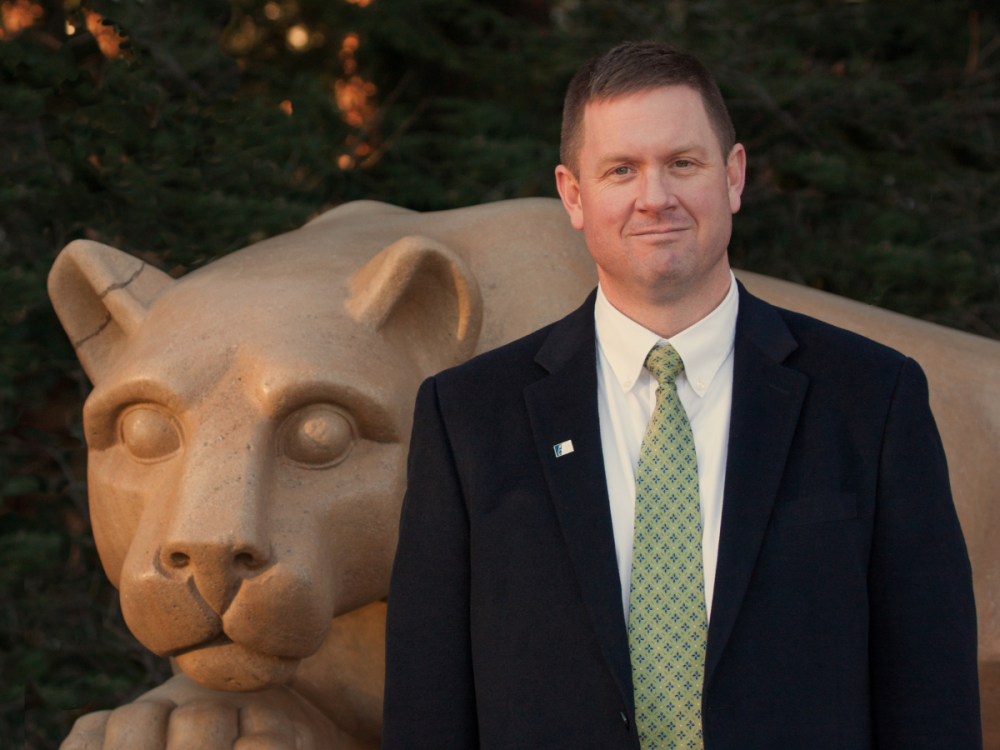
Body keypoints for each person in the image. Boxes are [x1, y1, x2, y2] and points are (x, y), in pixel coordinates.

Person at [381, 41, 982, 750]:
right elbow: (428, 706)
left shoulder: (872, 399)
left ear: (733, 177)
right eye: (621, 170)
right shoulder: (469, 418)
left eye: (683, 164)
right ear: (574, 195)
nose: (654, 197)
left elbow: (932, 697)